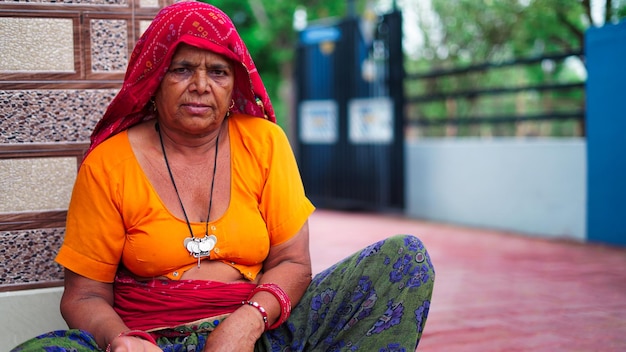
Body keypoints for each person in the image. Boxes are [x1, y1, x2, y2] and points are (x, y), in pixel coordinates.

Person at [10, 1, 435, 351]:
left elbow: (293, 262)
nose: (200, 85)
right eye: (181, 69)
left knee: (405, 258)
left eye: (218, 72)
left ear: (235, 85)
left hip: (259, 334)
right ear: (154, 81)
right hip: (152, 341)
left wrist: (245, 324)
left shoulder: (264, 142)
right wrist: (121, 340)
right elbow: (84, 295)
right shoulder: (109, 162)